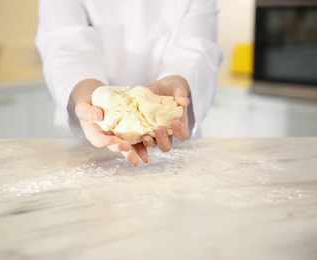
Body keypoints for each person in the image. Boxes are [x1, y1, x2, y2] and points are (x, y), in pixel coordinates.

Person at [36, 0, 222, 166]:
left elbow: (198, 46)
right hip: (85, 139)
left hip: (172, 145)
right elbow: (66, 45)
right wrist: (89, 95)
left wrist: (179, 78)